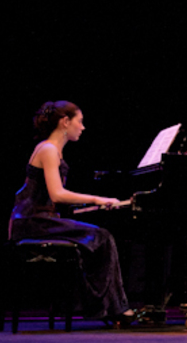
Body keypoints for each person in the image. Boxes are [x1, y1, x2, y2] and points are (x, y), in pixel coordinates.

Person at [8, 101, 139, 326]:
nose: (83, 127)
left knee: (97, 239)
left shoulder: (51, 149)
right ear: (65, 122)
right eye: (80, 121)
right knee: (102, 237)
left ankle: (103, 306)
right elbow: (57, 195)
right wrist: (97, 199)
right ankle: (113, 308)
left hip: (41, 219)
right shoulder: (48, 149)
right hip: (32, 222)